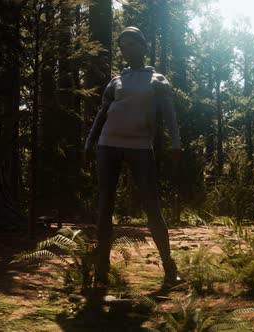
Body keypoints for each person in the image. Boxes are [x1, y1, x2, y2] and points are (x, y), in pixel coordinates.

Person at [84, 26, 182, 297]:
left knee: (152, 206)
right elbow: (101, 114)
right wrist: (89, 142)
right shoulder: (116, 81)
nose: (125, 50)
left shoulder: (158, 80)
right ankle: (101, 271)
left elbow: (170, 115)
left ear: (142, 45)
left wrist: (176, 143)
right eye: (122, 46)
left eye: (130, 44)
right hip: (108, 145)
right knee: (105, 206)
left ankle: (169, 267)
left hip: (140, 147)